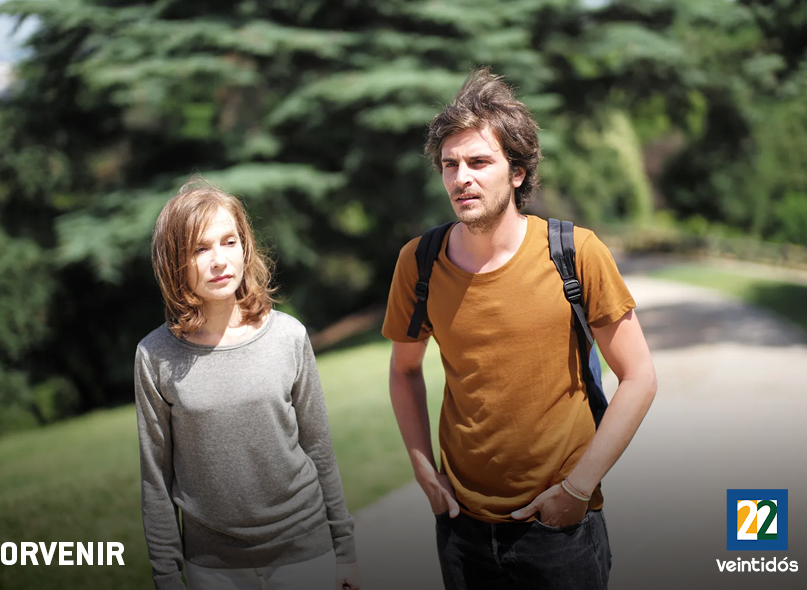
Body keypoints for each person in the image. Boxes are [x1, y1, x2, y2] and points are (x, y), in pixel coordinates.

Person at [382, 68, 657, 589]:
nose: (461, 178)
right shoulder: (418, 263)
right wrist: (422, 467)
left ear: (517, 173)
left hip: (559, 529)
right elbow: (404, 371)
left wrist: (577, 491)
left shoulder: (575, 253)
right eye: (450, 165)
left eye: (479, 162)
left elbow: (639, 377)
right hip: (461, 528)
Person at [134, 180, 360, 590]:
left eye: (229, 242)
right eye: (200, 249)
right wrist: (166, 577)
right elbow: (156, 480)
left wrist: (344, 551)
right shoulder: (155, 356)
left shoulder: (288, 336)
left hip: (305, 551)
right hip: (214, 567)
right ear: (174, 262)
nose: (219, 260)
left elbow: (319, 449)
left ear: (245, 248)